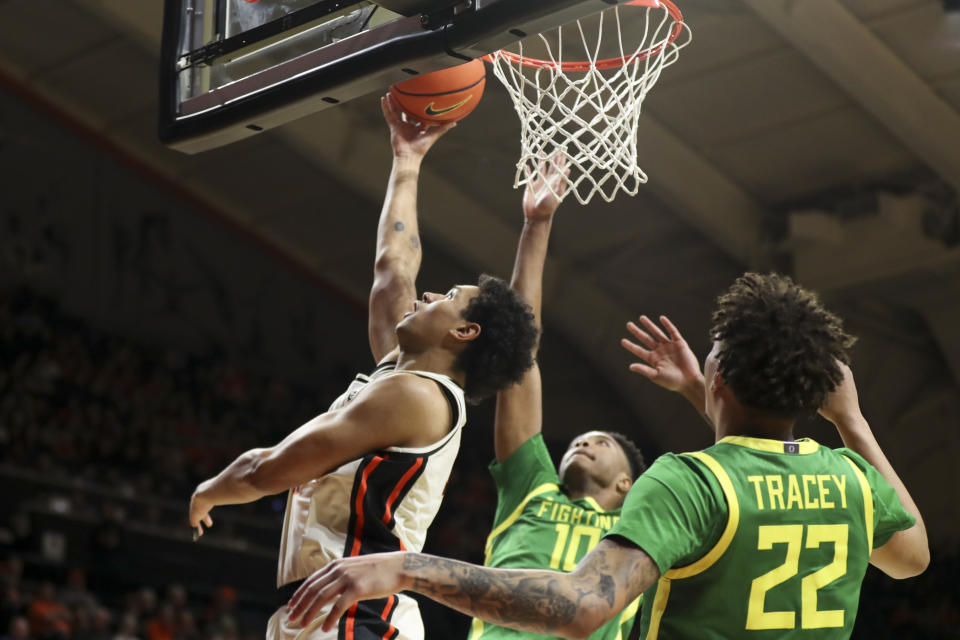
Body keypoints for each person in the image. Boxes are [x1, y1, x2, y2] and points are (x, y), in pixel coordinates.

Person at [284, 272, 929, 640]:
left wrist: (407, 569)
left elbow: (581, 606)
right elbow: (911, 557)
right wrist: (850, 419)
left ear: (722, 373)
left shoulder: (689, 482)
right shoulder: (849, 478)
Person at [187, 93, 539, 640]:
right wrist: (407, 160)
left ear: (464, 332)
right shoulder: (402, 377)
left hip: (358, 622)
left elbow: (274, 468)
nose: (426, 293)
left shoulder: (416, 399)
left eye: (447, 295)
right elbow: (392, 270)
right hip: (328, 613)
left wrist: (209, 490)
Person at [468, 154, 645, 640]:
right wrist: (536, 225)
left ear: (628, 484)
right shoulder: (533, 488)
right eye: (579, 441)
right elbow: (522, 353)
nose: (581, 443)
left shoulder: (640, 529)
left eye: (600, 443)